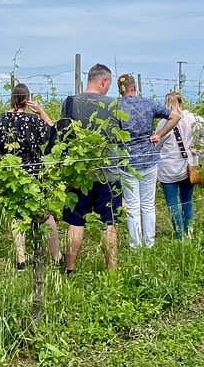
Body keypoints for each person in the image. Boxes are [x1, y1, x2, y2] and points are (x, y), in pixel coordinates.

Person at [0, 83, 62, 270]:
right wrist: (41, 112)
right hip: (34, 171)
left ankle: (21, 259)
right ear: (27, 100)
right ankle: (56, 256)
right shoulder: (33, 121)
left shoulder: (0, 121)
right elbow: (53, 133)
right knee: (46, 215)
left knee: (17, 214)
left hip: (11, 172)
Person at [61, 63, 121, 273]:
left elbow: (64, 135)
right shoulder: (113, 104)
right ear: (103, 81)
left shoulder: (69, 103)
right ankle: (112, 270)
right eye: (108, 84)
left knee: (75, 223)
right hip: (108, 173)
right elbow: (118, 137)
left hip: (78, 172)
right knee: (109, 223)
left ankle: (70, 269)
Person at [116, 74, 180, 248]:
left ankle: (135, 245)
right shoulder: (148, 103)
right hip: (149, 159)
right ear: (134, 87)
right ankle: (149, 243)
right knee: (148, 204)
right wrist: (158, 134)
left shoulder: (116, 107)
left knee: (132, 206)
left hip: (128, 160)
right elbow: (175, 117)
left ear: (120, 89)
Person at [156, 92, 204, 239]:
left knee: (172, 204)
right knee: (188, 201)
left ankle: (178, 235)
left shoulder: (163, 123)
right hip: (189, 165)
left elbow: (157, 145)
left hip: (168, 168)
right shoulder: (194, 119)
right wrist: (200, 152)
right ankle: (189, 232)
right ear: (182, 103)